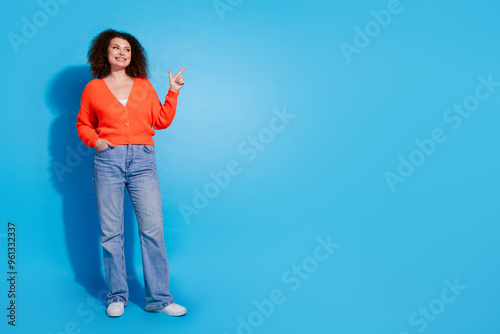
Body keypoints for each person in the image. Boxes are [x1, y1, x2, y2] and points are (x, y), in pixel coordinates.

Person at [76, 29, 187, 318]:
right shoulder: (93, 89)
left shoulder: (143, 85)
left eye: (127, 49)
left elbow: (160, 121)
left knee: (152, 230)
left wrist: (172, 91)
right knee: (111, 233)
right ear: (105, 53)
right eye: (116, 48)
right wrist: (96, 141)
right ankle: (117, 296)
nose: (122, 53)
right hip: (107, 161)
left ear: (132, 55)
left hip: (142, 161)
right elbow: (83, 125)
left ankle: (160, 299)